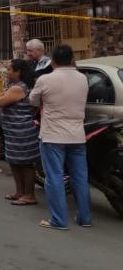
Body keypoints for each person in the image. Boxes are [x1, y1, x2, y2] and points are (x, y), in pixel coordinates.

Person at [30, 44, 90, 230]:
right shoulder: (82, 78)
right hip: (77, 135)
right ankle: (85, 218)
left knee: (54, 176)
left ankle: (58, 220)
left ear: (53, 61)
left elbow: (33, 100)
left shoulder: (45, 79)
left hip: (53, 136)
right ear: (72, 59)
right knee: (80, 177)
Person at [0, 59, 40, 205]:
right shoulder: (15, 86)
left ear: (18, 72)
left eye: (9, 69)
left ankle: (29, 195)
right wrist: (0, 96)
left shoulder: (19, 88)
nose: (7, 72)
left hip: (22, 131)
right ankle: (19, 192)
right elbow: (0, 97)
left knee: (25, 164)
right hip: (13, 131)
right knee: (14, 162)